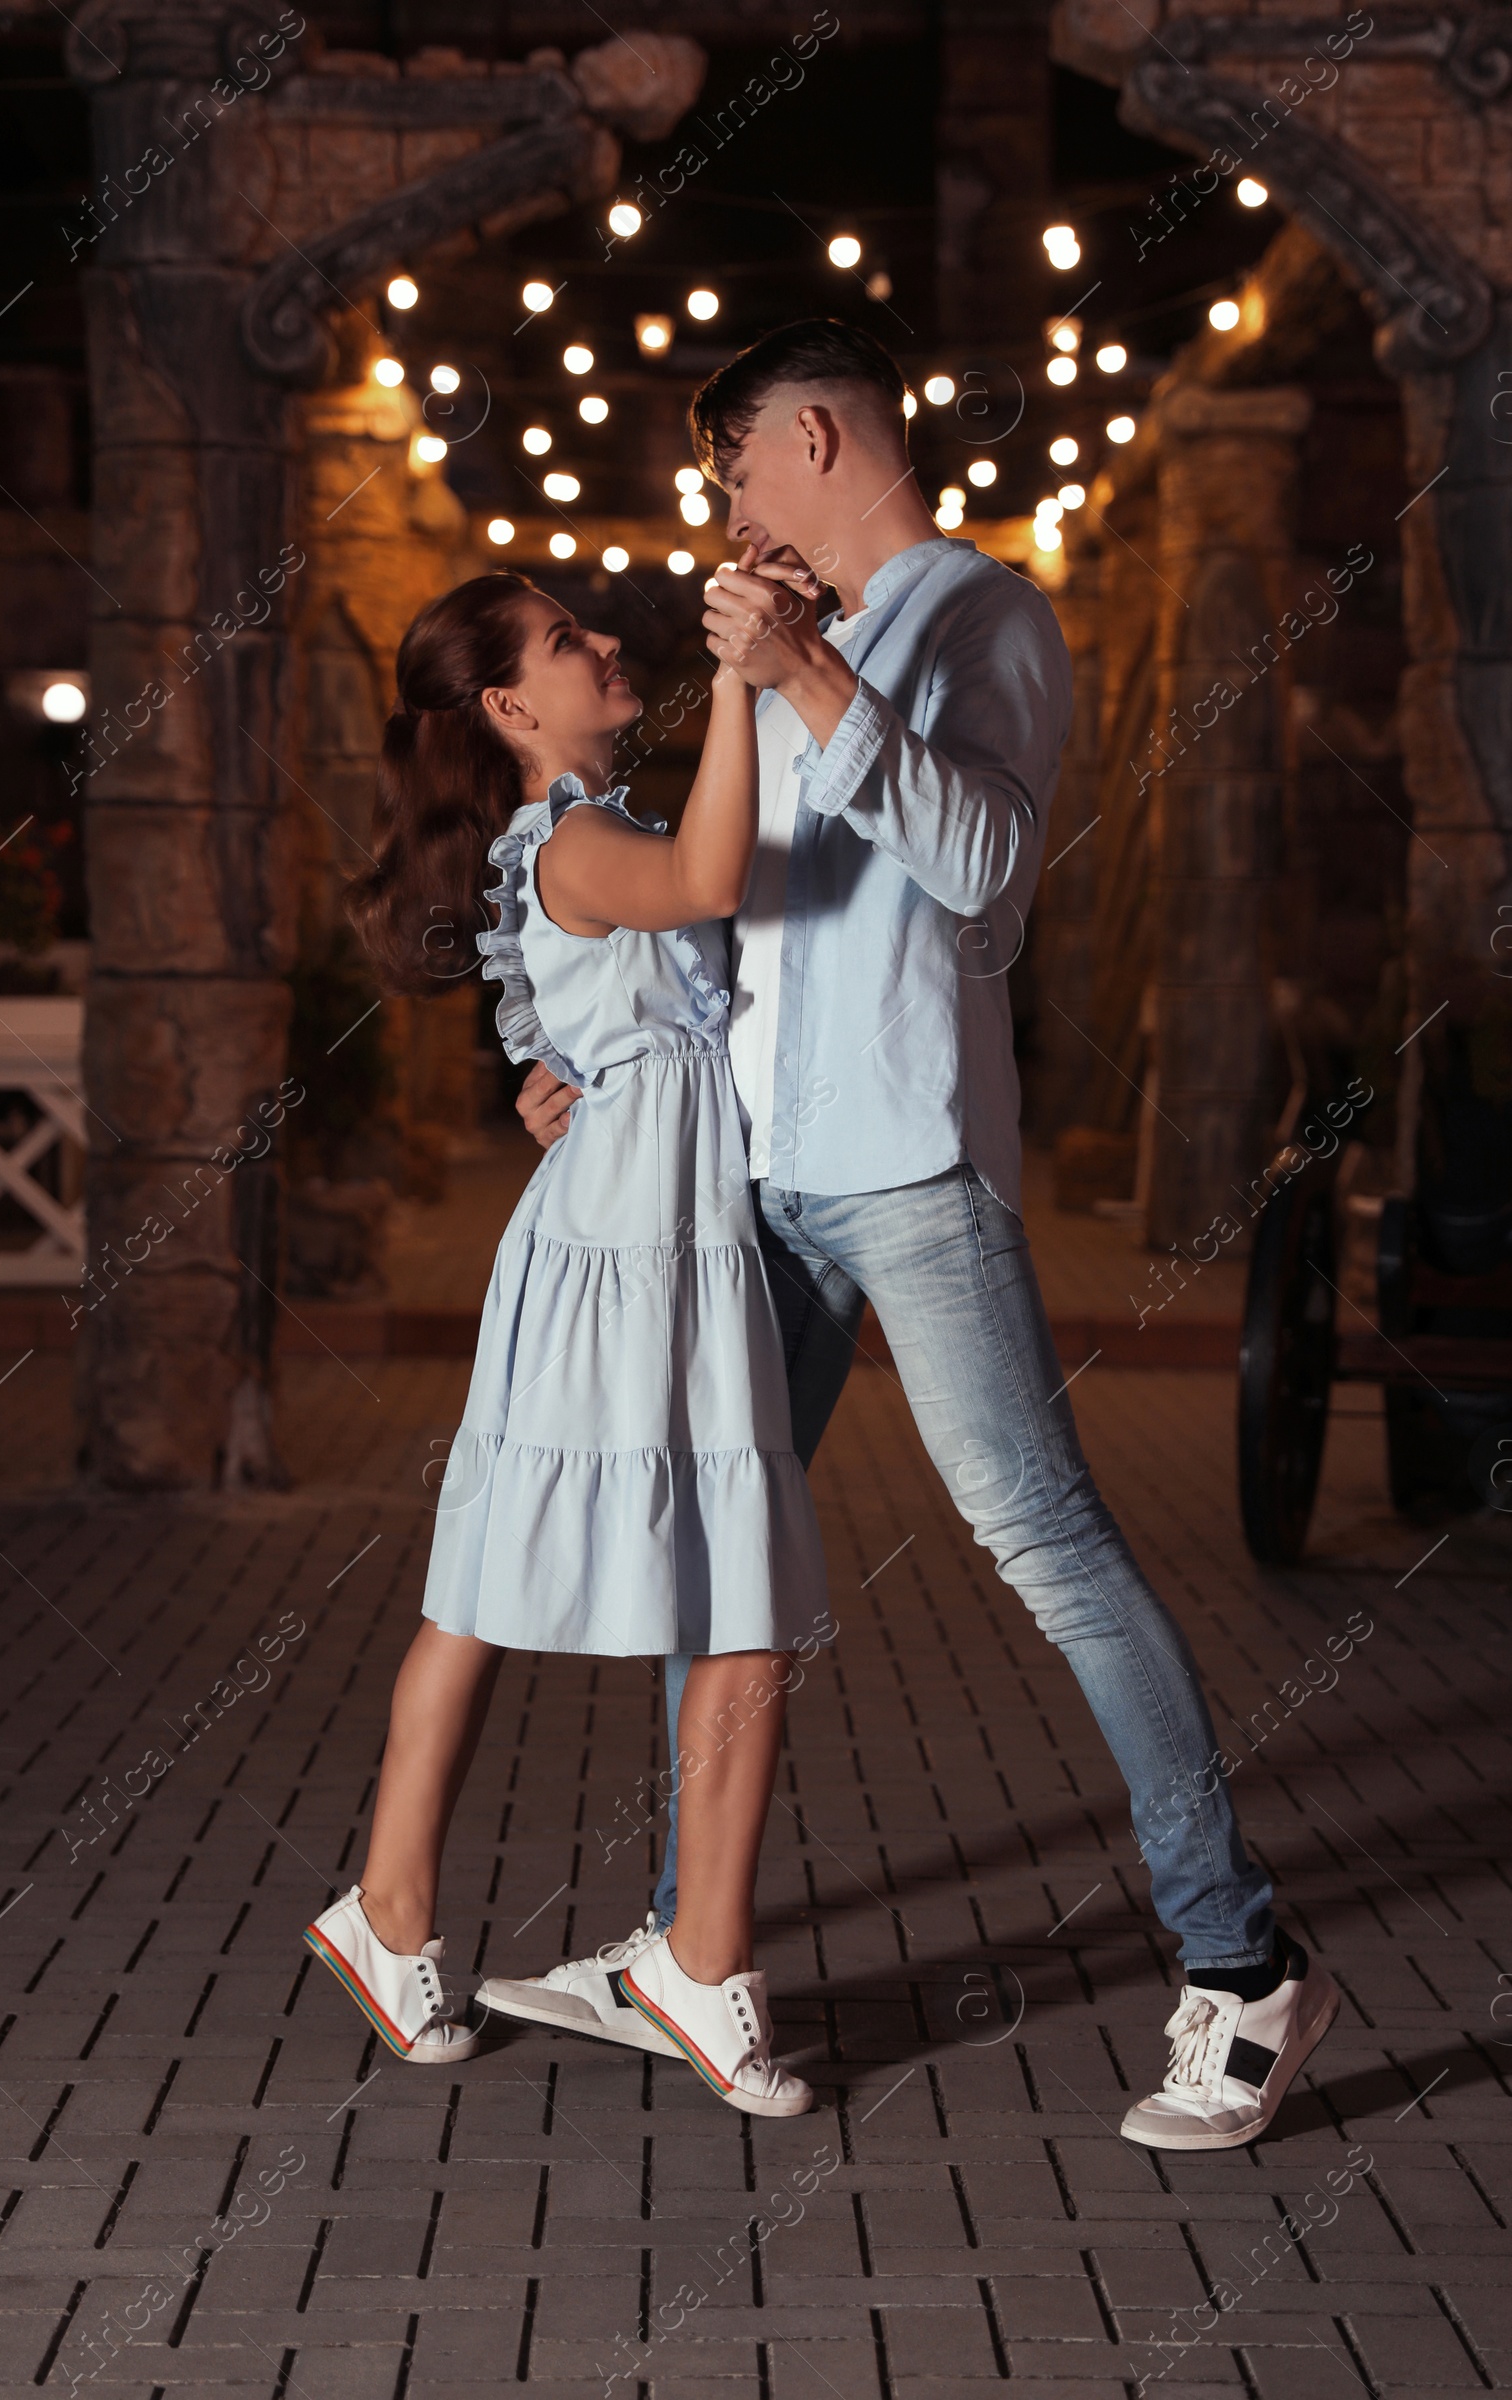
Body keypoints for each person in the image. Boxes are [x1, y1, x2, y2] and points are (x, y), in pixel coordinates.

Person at [493, 319, 1339, 2152]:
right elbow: (729, 928)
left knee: (1045, 1545)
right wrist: (573, 1073)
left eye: (731, 469)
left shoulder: (985, 618)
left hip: (911, 1168)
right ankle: (683, 1950)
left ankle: (1244, 1961)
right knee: (711, 1553)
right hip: (758, 1178)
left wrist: (801, 673)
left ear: (806, 438)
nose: (725, 509)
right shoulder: (817, 641)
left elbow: (982, 874)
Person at [303, 570, 829, 2119]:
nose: (608, 646)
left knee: (603, 1578)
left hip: (647, 1228)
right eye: (565, 642)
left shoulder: (573, 834)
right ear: (513, 712)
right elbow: (718, 875)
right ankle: (454, 1919)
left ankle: (455, 1922)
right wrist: (742, 676)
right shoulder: (578, 835)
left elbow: (608, 1023)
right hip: (623, 1248)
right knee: (592, 1577)